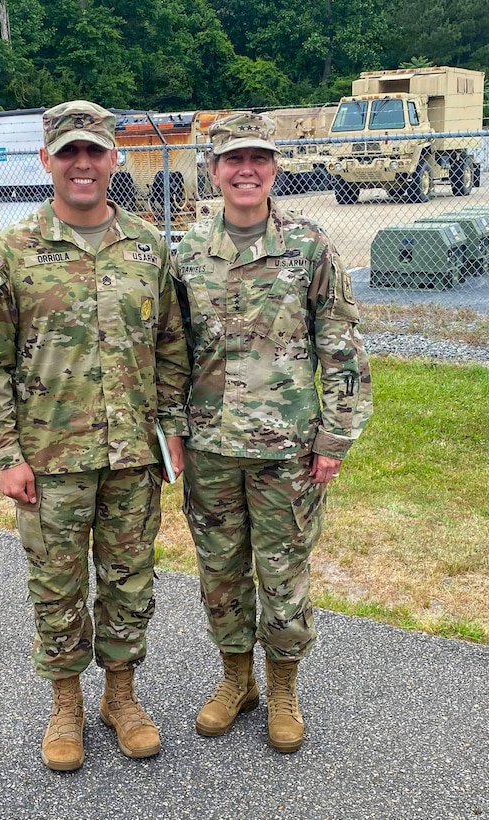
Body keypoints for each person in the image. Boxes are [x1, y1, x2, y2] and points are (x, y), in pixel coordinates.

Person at [0, 100, 190, 771]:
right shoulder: (9, 254)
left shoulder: (147, 246)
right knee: (57, 589)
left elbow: (172, 347)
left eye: (95, 152)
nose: (83, 164)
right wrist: (5, 452)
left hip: (131, 458)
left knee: (128, 583)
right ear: (47, 162)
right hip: (49, 460)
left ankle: (121, 698)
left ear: (113, 159)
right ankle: (66, 705)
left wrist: (169, 427)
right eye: (70, 153)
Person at [172, 112, 373, 753]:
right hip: (210, 449)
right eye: (233, 161)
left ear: (275, 169)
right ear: (213, 170)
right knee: (221, 573)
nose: (246, 170)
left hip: (287, 450)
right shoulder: (185, 252)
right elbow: (168, 353)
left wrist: (335, 439)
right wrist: (171, 431)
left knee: (284, 574)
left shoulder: (310, 245)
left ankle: (283, 685)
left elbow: (340, 345)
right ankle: (237, 681)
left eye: (258, 159)